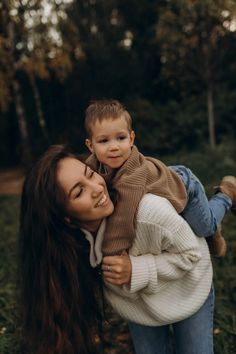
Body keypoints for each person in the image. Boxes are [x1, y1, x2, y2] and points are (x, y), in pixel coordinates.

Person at [19, 144, 235, 354]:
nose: (97, 188)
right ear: (65, 218)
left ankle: (225, 197)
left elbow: (192, 254)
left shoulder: (148, 212)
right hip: (143, 308)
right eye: (79, 192)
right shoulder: (73, 245)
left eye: (90, 174)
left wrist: (136, 269)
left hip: (189, 287)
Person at [84, 99, 236, 257]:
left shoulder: (132, 175)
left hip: (184, 186)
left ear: (131, 138)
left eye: (121, 138)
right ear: (90, 146)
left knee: (205, 228)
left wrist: (110, 254)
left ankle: (226, 195)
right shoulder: (90, 168)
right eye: (103, 141)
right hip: (163, 178)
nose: (114, 147)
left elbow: (123, 219)